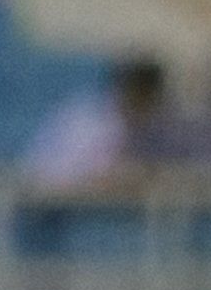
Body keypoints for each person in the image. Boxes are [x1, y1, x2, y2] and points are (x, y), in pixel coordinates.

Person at [21, 53, 171, 192]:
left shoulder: (133, 125)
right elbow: (50, 177)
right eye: (144, 97)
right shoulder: (89, 122)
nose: (150, 108)